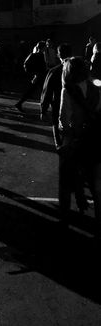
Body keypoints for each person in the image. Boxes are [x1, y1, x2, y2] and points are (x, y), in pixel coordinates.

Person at [58, 56, 101, 239]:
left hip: (74, 141)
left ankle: (65, 220)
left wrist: (66, 134)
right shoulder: (96, 89)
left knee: (66, 182)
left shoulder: (67, 91)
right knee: (97, 184)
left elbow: (63, 119)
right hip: (94, 141)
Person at [40, 43, 72, 150]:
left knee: (56, 123)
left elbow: (47, 91)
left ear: (58, 55)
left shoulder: (54, 71)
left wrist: (43, 109)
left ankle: (59, 145)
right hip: (77, 106)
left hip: (58, 103)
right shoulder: (79, 69)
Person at [15, 41, 47, 112]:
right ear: (43, 47)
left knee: (34, 91)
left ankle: (19, 103)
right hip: (38, 76)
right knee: (44, 91)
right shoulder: (36, 55)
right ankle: (45, 108)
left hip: (40, 76)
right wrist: (34, 74)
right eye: (45, 47)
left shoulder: (40, 55)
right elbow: (26, 64)